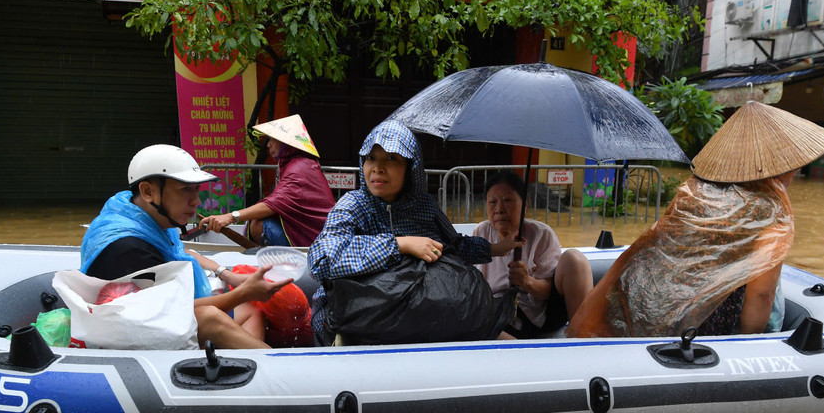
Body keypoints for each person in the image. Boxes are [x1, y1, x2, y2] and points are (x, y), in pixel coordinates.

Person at [567, 101, 824, 338]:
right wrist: (747, 346)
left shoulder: (693, 195)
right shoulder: (770, 213)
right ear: (783, 166)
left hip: (669, 316)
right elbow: (761, 296)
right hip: (712, 330)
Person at [307, 120, 521, 345]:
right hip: (359, 316)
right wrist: (400, 244)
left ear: (411, 168)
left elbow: (455, 246)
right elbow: (322, 259)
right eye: (371, 158)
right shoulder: (353, 205)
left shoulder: (424, 206)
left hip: (423, 312)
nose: (377, 168)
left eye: (391, 158)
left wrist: (498, 248)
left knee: (495, 333)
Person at [81, 144, 291, 349]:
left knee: (250, 309)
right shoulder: (128, 249)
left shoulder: (143, 215)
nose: (196, 201)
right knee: (209, 317)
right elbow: (170, 313)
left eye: (196, 189)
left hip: (159, 315)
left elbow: (181, 252)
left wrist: (228, 276)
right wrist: (243, 292)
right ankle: (276, 371)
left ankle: (241, 372)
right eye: (185, 190)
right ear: (147, 191)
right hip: (135, 336)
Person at [473, 170, 593, 338]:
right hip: (499, 317)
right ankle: (516, 351)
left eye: (507, 201)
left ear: (525, 205)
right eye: (492, 202)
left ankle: (582, 338)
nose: (499, 209)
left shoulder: (541, 234)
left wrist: (527, 281)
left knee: (575, 259)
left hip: (539, 313)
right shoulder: (481, 233)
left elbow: (548, 292)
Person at [199, 114, 335, 247]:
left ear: (285, 142)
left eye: (271, 139)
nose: (268, 145)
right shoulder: (298, 164)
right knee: (258, 221)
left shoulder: (299, 168)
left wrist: (230, 216)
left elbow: (274, 203)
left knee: (259, 224)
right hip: (316, 235)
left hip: (317, 241)